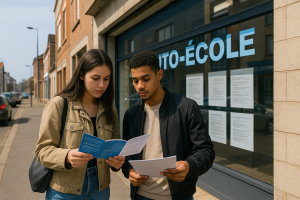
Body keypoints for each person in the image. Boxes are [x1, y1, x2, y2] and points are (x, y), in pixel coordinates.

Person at [121, 51, 215, 200]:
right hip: (140, 196)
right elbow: (126, 156)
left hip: (178, 196)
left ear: (159, 75)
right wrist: (129, 172)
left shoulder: (186, 107)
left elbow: (205, 151)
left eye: (146, 79)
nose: (140, 86)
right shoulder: (130, 115)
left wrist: (188, 166)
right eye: (135, 80)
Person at [35, 49, 125, 200]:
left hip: (100, 188)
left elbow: (114, 149)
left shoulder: (111, 109)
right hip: (65, 190)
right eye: (95, 78)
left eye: (107, 78)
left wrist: (117, 162)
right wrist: (67, 156)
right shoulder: (59, 104)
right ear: (82, 75)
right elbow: (42, 151)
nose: (102, 85)